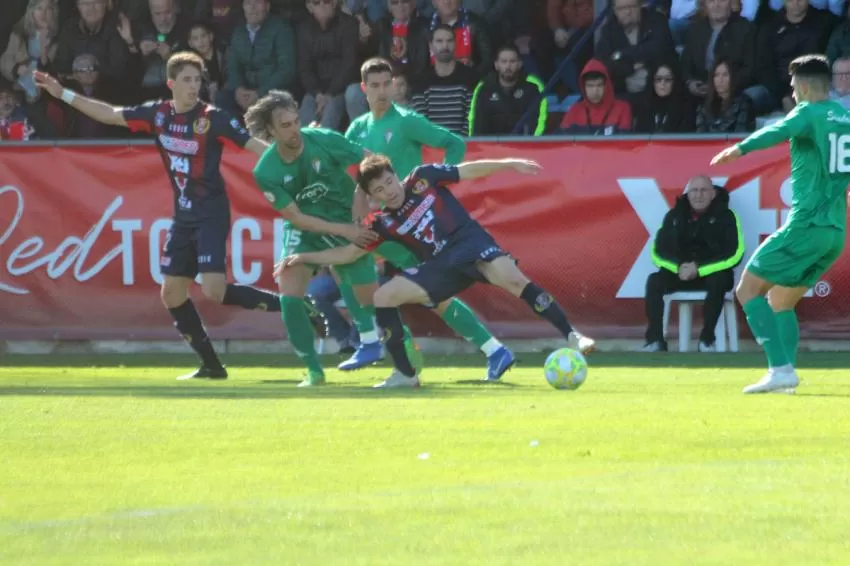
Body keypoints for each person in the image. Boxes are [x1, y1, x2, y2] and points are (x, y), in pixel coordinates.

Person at [34, 52, 281, 381]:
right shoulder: (159, 114)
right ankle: (212, 366)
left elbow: (254, 146)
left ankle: (293, 306)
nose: (194, 86)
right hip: (183, 216)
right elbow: (109, 114)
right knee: (172, 293)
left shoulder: (213, 118)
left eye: (198, 80)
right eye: (187, 80)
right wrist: (61, 93)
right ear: (171, 83)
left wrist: (294, 162)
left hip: (210, 214)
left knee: (213, 291)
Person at [277, 155, 597, 388]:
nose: (388, 190)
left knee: (513, 278)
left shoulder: (422, 178)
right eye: (379, 189)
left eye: (389, 181)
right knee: (384, 296)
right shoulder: (381, 223)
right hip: (440, 265)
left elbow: (467, 170)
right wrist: (305, 256)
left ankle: (572, 335)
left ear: (395, 174)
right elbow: (349, 252)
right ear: (372, 197)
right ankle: (405, 375)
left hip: (469, 243)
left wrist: (509, 163)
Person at [345, 56, 515, 381]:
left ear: (394, 85)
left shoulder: (407, 121)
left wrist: (435, 193)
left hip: (410, 229)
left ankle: (400, 363)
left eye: (387, 84)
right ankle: (492, 351)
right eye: (375, 86)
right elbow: (356, 176)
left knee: (407, 293)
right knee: (394, 290)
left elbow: (454, 143)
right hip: (385, 229)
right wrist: (356, 201)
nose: (383, 91)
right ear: (364, 89)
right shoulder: (357, 128)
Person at [711, 54, 849, 394]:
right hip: (834, 232)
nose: (793, 91)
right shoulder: (845, 118)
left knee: (746, 290)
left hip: (805, 226)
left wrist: (739, 149)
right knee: (782, 301)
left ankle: (780, 369)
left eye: (792, 85)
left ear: (802, 86)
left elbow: (778, 130)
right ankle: (785, 377)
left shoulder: (807, 113)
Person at [246, 90, 391, 387]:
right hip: (306, 228)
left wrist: (361, 196)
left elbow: (369, 161)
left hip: (342, 216)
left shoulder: (323, 139)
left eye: (295, 121)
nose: (294, 130)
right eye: (285, 125)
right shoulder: (266, 170)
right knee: (288, 296)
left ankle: (388, 345)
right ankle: (314, 371)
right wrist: (346, 232)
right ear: (270, 131)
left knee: (370, 297)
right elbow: (296, 217)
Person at [641, 176, 744, 353]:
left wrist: (699, 269)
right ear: (687, 194)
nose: (698, 195)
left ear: (713, 194)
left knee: (719, 280)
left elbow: (734, 254)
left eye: (703, 190)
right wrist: (678, 268)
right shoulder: (673, 216)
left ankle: (707, 340)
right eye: (694, 191)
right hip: (679, 273)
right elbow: (657, 252)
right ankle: (655, 341)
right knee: (654, 280)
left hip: (712, 274)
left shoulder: (727, 216)